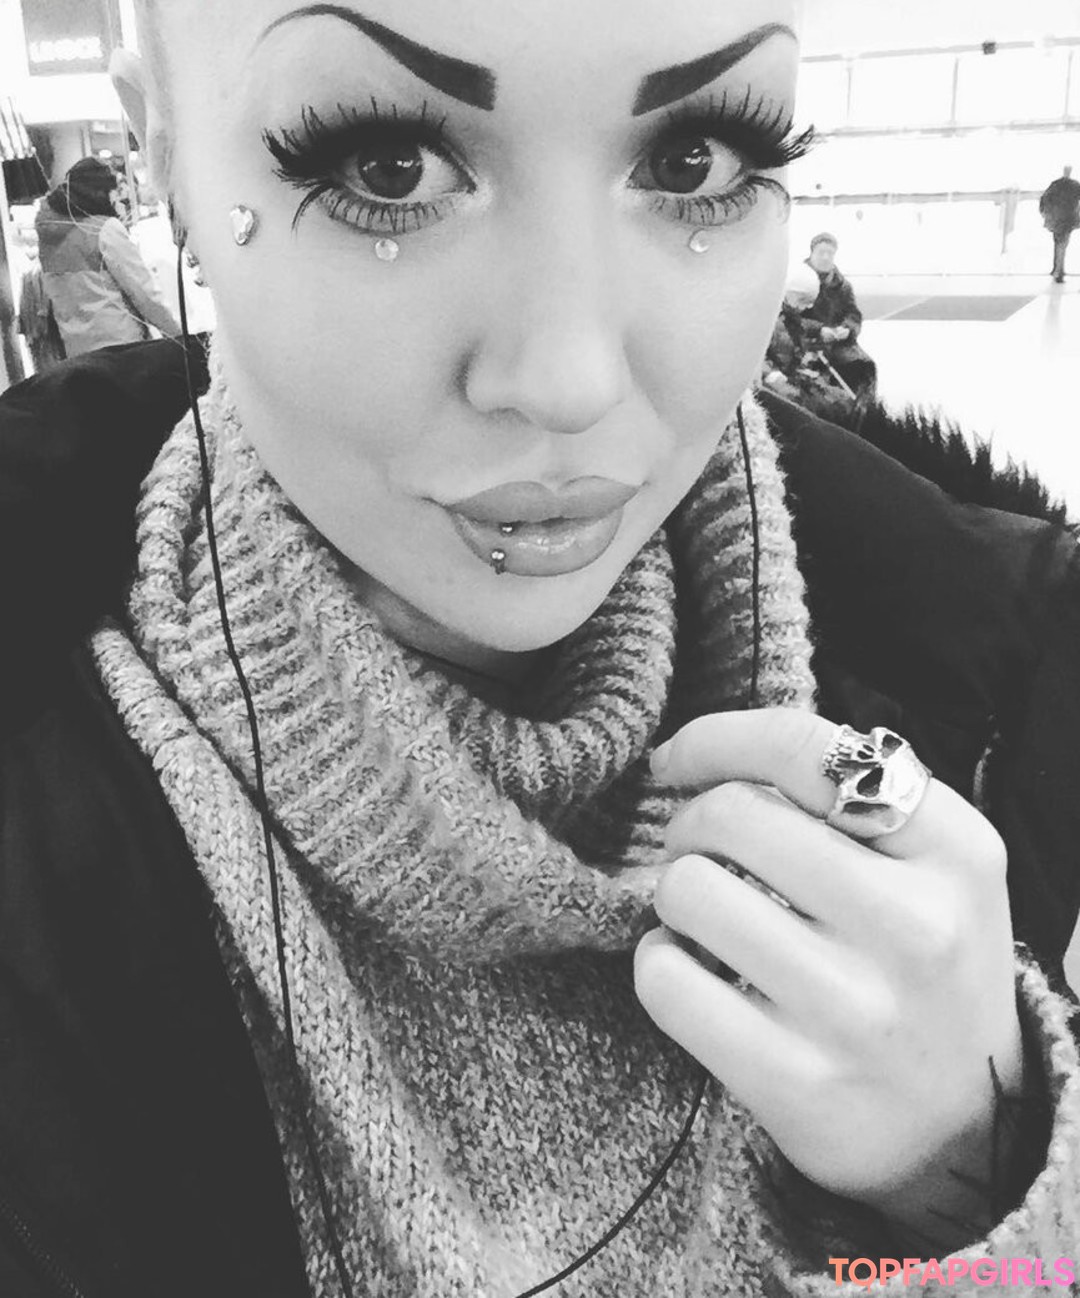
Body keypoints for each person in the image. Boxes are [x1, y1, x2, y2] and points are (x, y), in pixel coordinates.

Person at [1, 3, 1079, 1296]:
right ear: (163, 149)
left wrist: (980, 1173)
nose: (570, 380)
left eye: (694, 160)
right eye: (388, 167)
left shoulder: (1008, 686)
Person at [35, 155, 180, 357]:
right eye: (116, 194)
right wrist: (179, 336)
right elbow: (143, 292)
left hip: (79, 353)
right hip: (122, 348)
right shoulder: (103, 229)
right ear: (100, 192)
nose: (118, 202)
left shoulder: (48, 237)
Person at [761, 262, 857, 420]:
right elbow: (751, 358)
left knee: (841, 400)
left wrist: (821, 330)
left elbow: (801, 326)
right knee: (803, 405)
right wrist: (769, 373)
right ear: (786, 293)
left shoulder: (789, 315)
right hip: (774, 383)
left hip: (793, 374)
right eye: (803, 300)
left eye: (810, 302)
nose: (808, 307)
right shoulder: (765, 320)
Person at [803, 231, 877, 399]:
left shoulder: (843, 286)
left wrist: (847, 329)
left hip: (837, 343)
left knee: (864, 366)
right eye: (821, 252)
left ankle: (864, 407)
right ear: (812, 253)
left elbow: (854, 314)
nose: (825, 257)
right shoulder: (797, 280)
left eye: (830, 253)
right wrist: (818, 330)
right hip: (805, 340)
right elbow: (786, 317)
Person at [1039, 165, 1080, 284]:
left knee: (1058, 244)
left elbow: (1044, 198)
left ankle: (1056, 269)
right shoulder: (1074, 185)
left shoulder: (1056, 184)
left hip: (1056, 218)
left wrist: (1045, 213)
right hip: (1067, 219)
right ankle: (1059, 272)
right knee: (1062, 245)